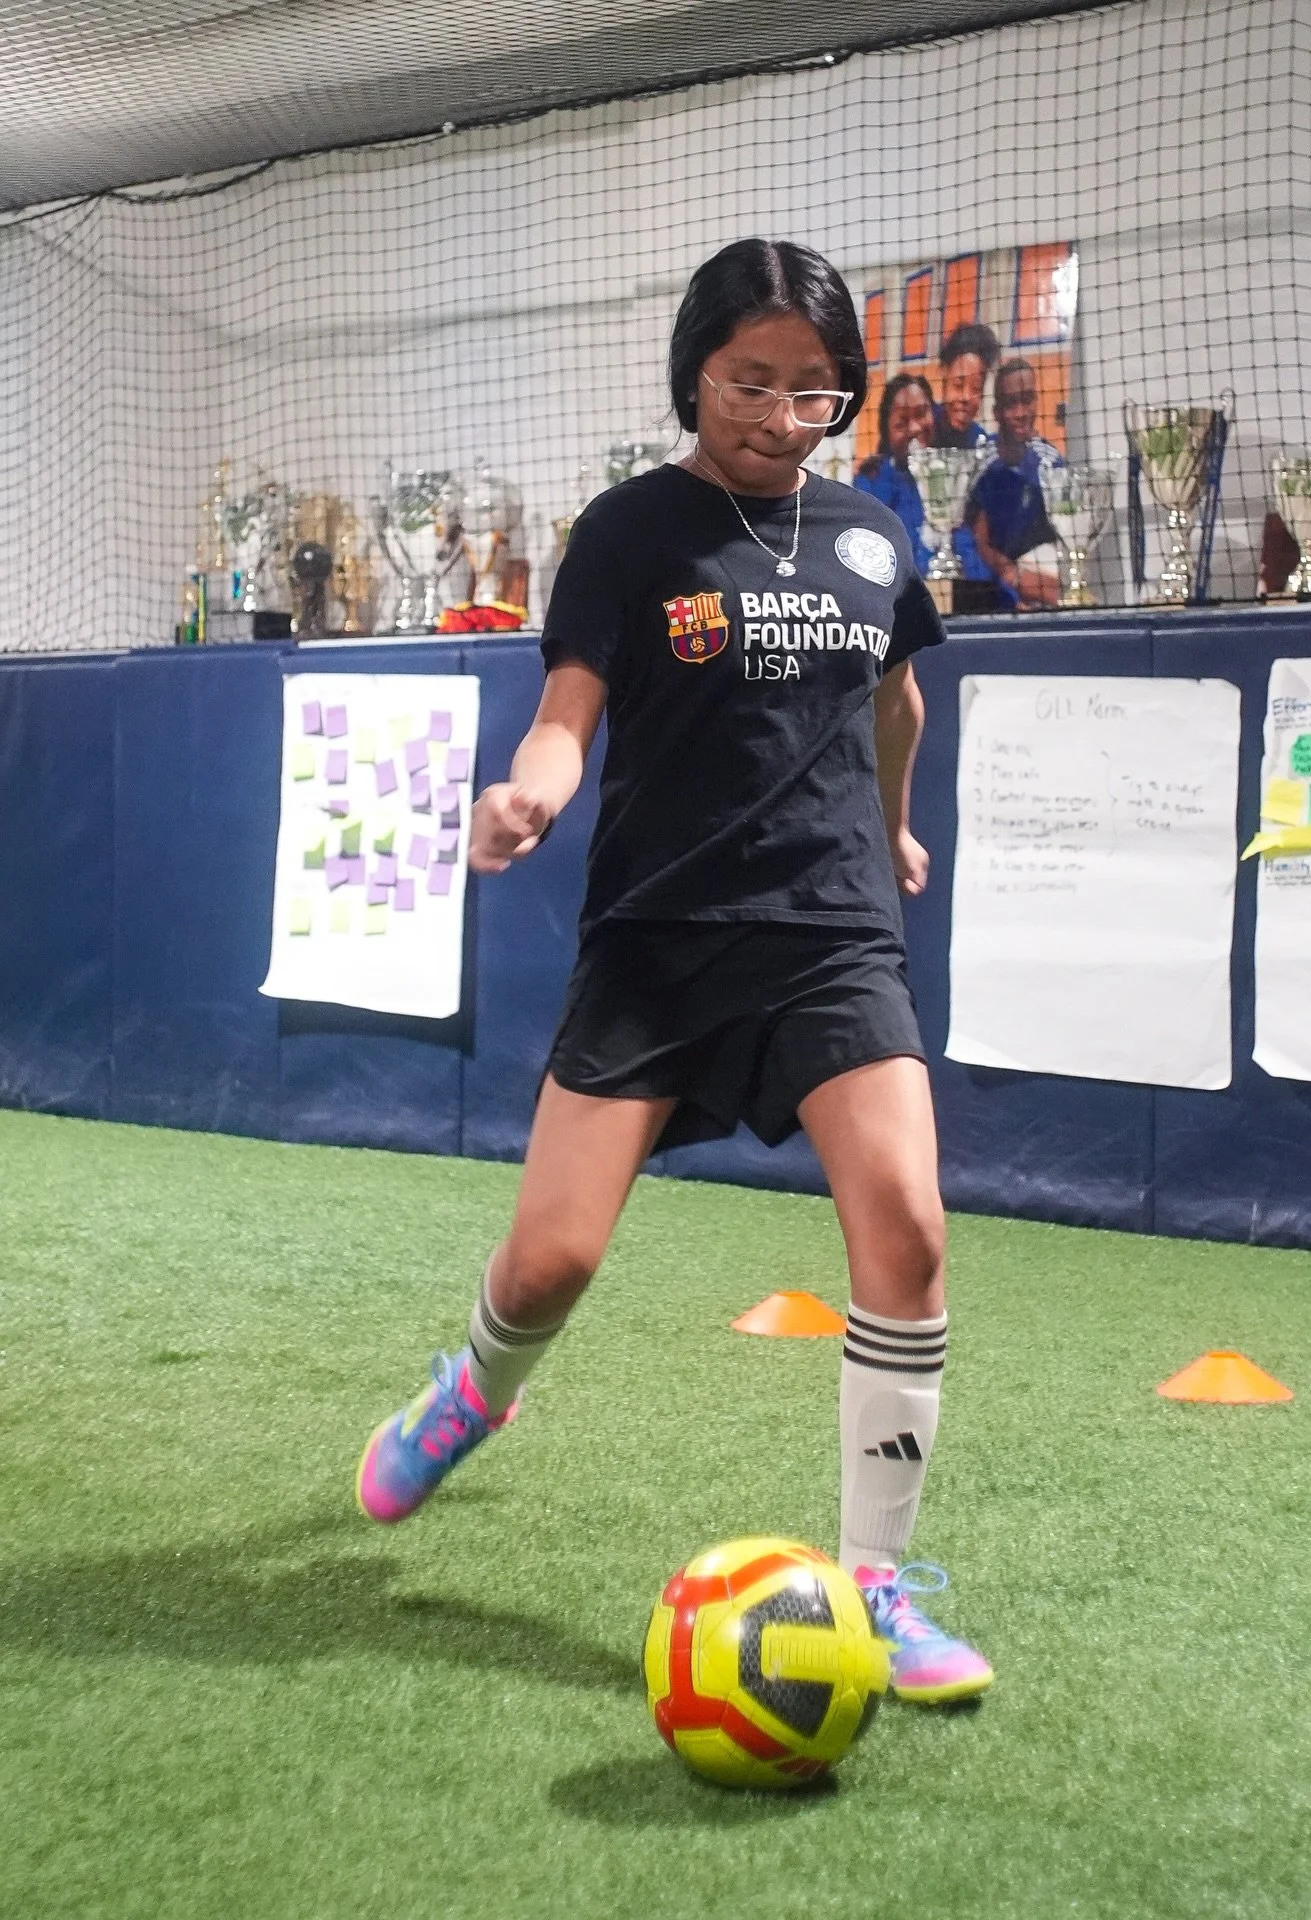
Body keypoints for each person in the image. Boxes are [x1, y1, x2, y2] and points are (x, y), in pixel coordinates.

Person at [355, 237, 993, 1706]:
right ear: (694, 372)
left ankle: (879, 1585)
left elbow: (897, 701)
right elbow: (566, 712)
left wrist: (897, 824)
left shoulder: (874, 536)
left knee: (907, 1225)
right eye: (749, 383)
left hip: (830, 932)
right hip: (656, 934)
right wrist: (531, 792)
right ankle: (476, 1392)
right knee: (552, 1262)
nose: (779, 417)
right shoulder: (630, 531)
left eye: (813, 392)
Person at [966, 356, 1062, 608]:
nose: (1021, 413)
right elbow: (978, 542)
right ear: (996, 412)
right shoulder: (980, 464)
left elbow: (1063, 538)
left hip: (1040, 587)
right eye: (1011, 404)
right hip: (990, 587)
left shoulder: (1050, 463)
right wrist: (1012, 575)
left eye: (1027, 400)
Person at [852, 370, 935, 569]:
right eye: (902, 422)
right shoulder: (868, 484)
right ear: (887, 431)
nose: (915, 428)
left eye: (921, 414)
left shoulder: (952, 474)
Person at [931, 321, 1000, 451]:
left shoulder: (980, 442)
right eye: (958, 385)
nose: (966, 397)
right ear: (945, 373)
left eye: (976, 388)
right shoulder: (925, 426)